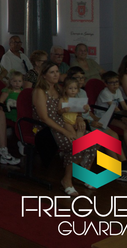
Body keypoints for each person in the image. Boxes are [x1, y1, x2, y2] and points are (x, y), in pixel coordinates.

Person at [32, 61, 95, 197]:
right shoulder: (39, 91)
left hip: (64, 123)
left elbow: (72, 108)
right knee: (77, 145)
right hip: (46, 129)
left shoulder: (60, 89)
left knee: (92, 141)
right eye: (52, 72)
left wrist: (79, 118)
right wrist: (65, 131)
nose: (56, 75)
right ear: (44, 75)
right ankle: (66, 180)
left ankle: (82, 175)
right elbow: (44, 118)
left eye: (57, 71)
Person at [95, 71, 127, 159]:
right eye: (112, 83)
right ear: (106, 84)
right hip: (104, 116)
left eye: (117, 82)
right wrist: (124, 119)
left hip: (115, 115)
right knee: (126, 127)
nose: (115, 85)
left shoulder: (118, 91)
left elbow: (124, 106)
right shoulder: (105, 93)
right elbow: (115, 109)